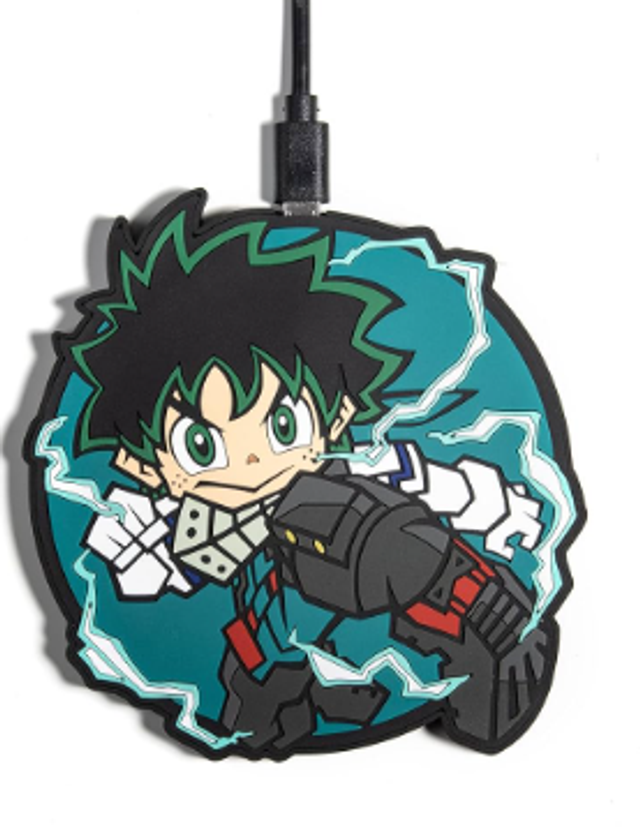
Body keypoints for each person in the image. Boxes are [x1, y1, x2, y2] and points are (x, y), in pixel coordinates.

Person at [72, 192, 553, 755]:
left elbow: (446, 554)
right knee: (259, 658)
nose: (251, 461)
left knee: (384, 554)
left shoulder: (363, 515)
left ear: (337, 415)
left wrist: (498, 634)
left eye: (281, 424)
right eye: (202, 444)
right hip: (273, 653)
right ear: (146, 465)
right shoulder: (199, 531)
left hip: (364, 614)